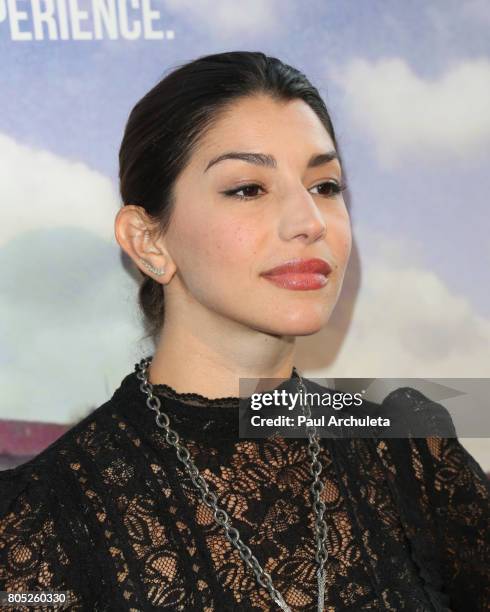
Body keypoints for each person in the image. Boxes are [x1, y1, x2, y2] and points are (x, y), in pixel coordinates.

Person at [0, 51, 488, 612]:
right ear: (148, 241)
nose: (309, 222)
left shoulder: (406, 447)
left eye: (325, 185)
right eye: (247, 189)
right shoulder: (39, 518)